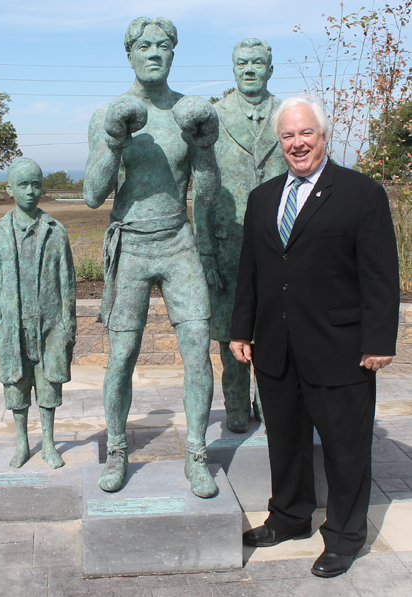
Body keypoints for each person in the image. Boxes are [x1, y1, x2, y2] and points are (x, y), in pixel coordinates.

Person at [230, 97, 400, 577]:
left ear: (323, 137)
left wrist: (379, 339)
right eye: (288, 136)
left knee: (346, 449)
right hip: (276, 349)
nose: (297, 143)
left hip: (340, 349)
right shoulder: (262, 198)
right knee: (285, 442)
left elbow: (381, 273)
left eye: (306, 134)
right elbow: (252, 270)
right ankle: (288, 517)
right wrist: (240, 328)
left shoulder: (361, 193)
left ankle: (345, 537)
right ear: (278, 141)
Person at [83, 17, 221, 498]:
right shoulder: (108, 113)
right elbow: (92, 195)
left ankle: (198, 454)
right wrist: (114, 140)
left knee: (198, 353)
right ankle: (118, 450)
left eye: (164, 45)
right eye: (144, 45)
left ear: (173, 53)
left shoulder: (188, 112)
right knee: (121, 357)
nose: (154, 53)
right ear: (130, 53)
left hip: (178, 241)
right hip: (132, 246)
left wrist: (203, 147)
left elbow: (205, 196)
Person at [193, 38, 286, 433]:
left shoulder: (288, 115)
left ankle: (269, 399)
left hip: (280, 243)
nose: (250, 69)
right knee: (232, 330)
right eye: (242, 63)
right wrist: (207, 255)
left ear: (270, 68)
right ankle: (234, 403)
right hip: (228, 243)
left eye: (257, 63)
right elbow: (201, 192)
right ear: (233, 69)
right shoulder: (214, 117)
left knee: (276, 324)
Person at [0, 158, 76, 469]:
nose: (30, 191)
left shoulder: (55, 231)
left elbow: (67, 282)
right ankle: (23, 443)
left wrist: (68, 326)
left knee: (50, 384)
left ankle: (49, 443)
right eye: (23, 185)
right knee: (17, 384)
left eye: (36, 184)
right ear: (9, 188)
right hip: (14, 326)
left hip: (50, 324)